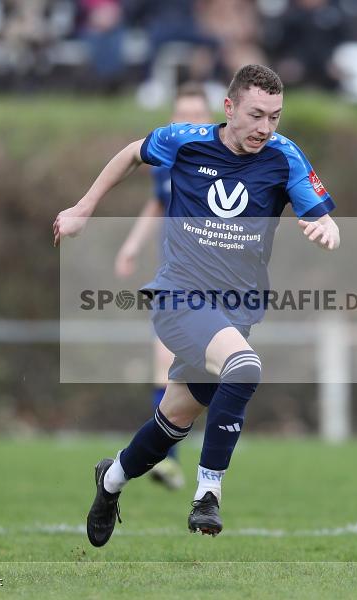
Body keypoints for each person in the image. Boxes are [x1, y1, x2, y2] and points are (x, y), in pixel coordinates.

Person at [53, 64, 339, 547]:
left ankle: (111, 480)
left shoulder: (284, 157)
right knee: (245, 368)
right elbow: (130, 154)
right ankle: (208, 493)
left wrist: (328, 227)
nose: (265, 128)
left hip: (236, 313)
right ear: (229, 108)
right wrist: (83, 209)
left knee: (173, 422)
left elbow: (322, 213)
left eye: (275, 117)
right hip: (179, 297)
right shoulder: (185, 140)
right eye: (255, 115)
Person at [113, 82, 212, 490]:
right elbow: (157, 203)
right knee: (163, 363)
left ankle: (200, 465)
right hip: (176, 279)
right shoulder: (166, 164)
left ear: (211, 118)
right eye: (181, 115)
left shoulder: (225, 163)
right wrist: (132, 245)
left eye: (195, 115)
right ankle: (166, 460)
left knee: (211, 375)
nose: (188, 122)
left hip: (221, 284)